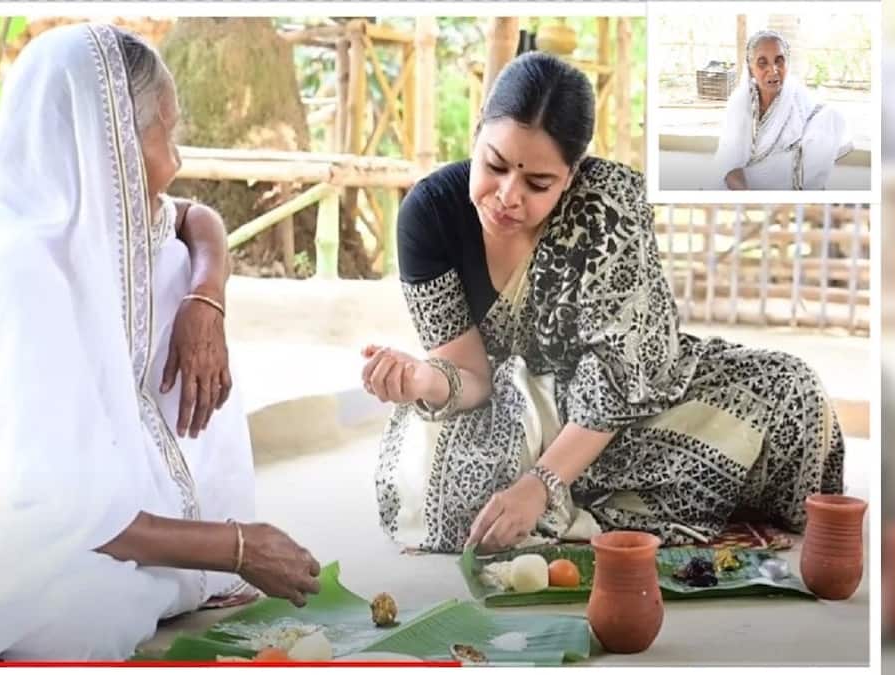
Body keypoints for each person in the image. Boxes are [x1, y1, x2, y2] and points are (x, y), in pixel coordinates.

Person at [0, 24, 320, 662]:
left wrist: (206, 299)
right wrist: (238, 547)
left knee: (176, 266)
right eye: (165, 134)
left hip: (76, 501)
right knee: (82, 620)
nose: (177, 160)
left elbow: (196, 218)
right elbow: (67, 510)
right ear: (105, 139)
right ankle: (182, 549)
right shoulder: (20, 271)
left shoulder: (96, 221)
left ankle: (180, 540)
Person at [361, 52, 845, 554]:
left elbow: (622, 376)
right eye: (495, 165)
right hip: (518, 415)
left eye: (537, 183)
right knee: (442, 488)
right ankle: (665, 496)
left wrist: (540, 485)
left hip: (629, 405)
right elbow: (473, 378)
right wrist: (422, 379)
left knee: (793, 393)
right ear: (477, 131)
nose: (507, 196)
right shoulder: (429, 216)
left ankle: (589, 498)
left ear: (572, 174)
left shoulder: (608, 204)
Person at [714, 30, 853, 190]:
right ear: (750, 68)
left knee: (832, 117)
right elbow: (729, 166)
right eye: (762, 63)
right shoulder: (739, 105)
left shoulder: (799, 99)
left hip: (791, 193)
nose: (773, 70)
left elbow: (822, 137)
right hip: (741, 187)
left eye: (779, 61)